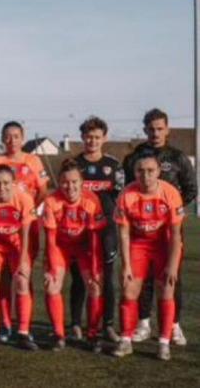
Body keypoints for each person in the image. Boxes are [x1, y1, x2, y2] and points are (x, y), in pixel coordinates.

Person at [122, 108, 195, 346]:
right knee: (142, 276)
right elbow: (127, 189)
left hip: (169, 227)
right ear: (145, 130)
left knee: (173, 276)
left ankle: (173, 325)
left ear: (168, 129)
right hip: (140, 227)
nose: (155, 133)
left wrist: (171, 209)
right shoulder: (134, 157)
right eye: (151, 129)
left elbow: (191, 188)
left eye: (160, 128)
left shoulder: (178, 157)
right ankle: (143, 322)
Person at [112, 152, 184, 361]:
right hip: (138, 245)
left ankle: (163, 342)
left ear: (159, 171)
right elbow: (123, 234)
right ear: (134, 172)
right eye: (140, 171)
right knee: (128, 289)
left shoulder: (170, 193)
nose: (145, 175)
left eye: (150, 170)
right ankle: (125, 340)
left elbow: (176, 234)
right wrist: (125, 265)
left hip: (163, 245)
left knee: (167, 289)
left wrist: (172, 265)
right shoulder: (126, 194)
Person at [0, 121, 48, 342]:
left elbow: (43, 190)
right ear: (2, 138)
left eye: (16, 136)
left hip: (24, 227)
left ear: (23, 137)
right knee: (0, 279)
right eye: (8, 136)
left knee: (22, 276)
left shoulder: (33, 160)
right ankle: (4, 325)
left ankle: (24, 327)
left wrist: (26, 209)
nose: (12, 140)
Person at [42, 159, 106, 353]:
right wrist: (52, 269)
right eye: (65, 182)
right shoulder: (51, 201)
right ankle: (59, 334)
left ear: (82, 182)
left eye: (74, 182)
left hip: (85, 247)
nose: (70, 187)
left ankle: (93, 334)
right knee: (52, 284)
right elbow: (51, 240)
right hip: (60, 248)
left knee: (95, 286)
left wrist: (95, 269)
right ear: (59, 182)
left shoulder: (92, 200)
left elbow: (95, 238)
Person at [70, 117, 124, 342]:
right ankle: (75, 324)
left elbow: (120, 197)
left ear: (105, 138)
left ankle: (108, 325)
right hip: (79, 230)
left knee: (107, 279)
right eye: (88, 137)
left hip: (107, 231)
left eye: (97, 137)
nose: (92, 141)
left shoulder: (114, 165)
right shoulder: (74, 164)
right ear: (82, 137)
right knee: (79, 278)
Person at [0, 164, 38, 351]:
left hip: (18, 245)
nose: (1, 188)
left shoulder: (24, 199)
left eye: (5, 183)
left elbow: (26, 233)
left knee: (21, 280)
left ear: (14, 183)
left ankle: (24, 333)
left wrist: (23, 260)